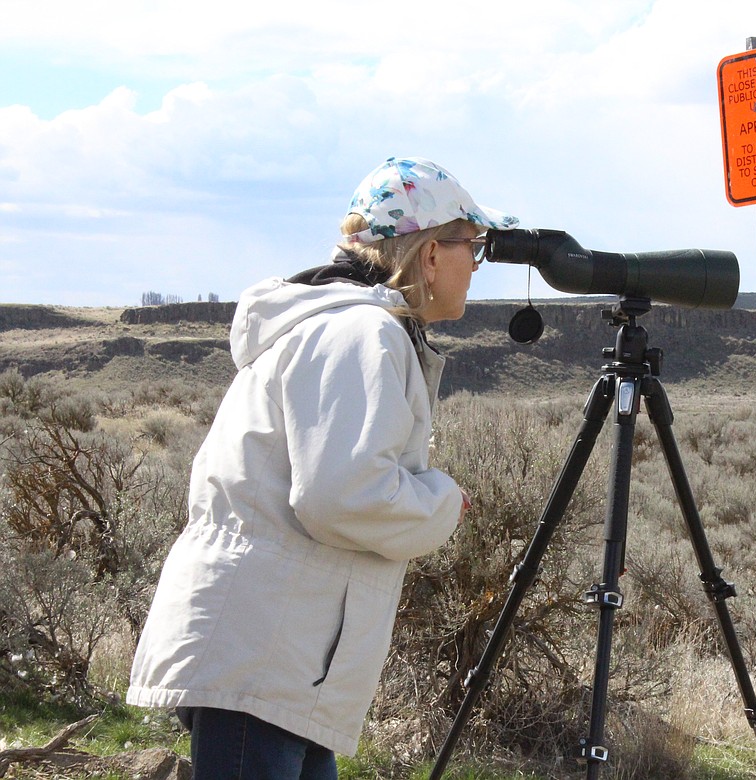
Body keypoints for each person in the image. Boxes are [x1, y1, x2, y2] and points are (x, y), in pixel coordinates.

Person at [127, 157, 518, 779]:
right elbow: (342, 495)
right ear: (429, 255)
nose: (477, 262)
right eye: (472, 244)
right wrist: (443, 501)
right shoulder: (361, 333)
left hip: (284, 652)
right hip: (268, 649)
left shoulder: (355, 328)